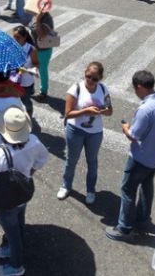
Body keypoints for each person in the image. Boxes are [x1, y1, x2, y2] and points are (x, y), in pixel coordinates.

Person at [106, 70, 155, 241]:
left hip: (140, 158)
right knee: (147, 187)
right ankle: (143, 219)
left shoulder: (145, 110)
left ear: (139, 87)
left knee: (127, 190)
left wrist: (125, 127)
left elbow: (134, 135)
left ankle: (124, 228)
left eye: (134, 88)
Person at [0, 107, 49, 276]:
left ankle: (16, 265)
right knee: (19, 221)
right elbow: (42, 159)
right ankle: (14, 247)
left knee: (12, 232)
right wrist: (30, 172)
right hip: (23, 190)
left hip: (6, 199)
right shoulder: (34, 141)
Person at [59, 62, 112, 204]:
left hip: (95, 133)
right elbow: (68, 114)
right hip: (75, 130)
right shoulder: (75, 88)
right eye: (88, 76)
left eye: (95, 79)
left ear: (100, 78)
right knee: (71, 160)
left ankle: (90, 190)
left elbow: (110, 110)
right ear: (84, 73)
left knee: (92, 162)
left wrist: (103, 110)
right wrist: (85, 111)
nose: (90, 81)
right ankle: (66, 185)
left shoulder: (103, 89)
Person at [12, 26, 39, 117]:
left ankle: (29, 117)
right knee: (14, 101)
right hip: (13, 80)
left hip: (26, 82)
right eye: (14, 37)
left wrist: (27, 70)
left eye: (18, 37)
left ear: (24, 37)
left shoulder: (31, 49)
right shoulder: (12, 48)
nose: (15, 40)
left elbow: (36, 65)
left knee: (26, 101)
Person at [31, 5, 55, 102]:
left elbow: (41, 34)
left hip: (44, 49)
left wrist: (38, 19)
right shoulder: (37, 16)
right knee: (32, 67)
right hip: (36, 47)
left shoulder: (47, 19)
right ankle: (30, 87)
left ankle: (43, 92)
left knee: (42, 70)